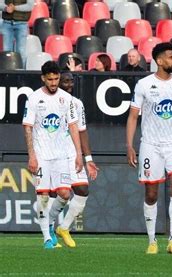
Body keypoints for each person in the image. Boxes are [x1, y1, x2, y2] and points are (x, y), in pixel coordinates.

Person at [126, 42, 172, 255]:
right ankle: (152, 241)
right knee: (151, 194)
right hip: (150, 144)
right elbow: (133, 116)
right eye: (170, 57)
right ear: (159, 61)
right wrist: (130, 145)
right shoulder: (143, 84)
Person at [22, 61, 83, 249]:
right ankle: (47, 238)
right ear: (43, 78)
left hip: (62, 155)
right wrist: (32, 155)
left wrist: (78, 154)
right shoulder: (33, 98)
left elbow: (73, 126)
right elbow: (28, 127)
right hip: (41, 155)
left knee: (64, 193)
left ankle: (49, 221)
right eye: (50, 79)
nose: (54, 83)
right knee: (43, 197)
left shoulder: (67, 99)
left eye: (56, 79)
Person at [47, 72, 99, 248]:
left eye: (71, 81)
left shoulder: (77, 104)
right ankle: (48, 228)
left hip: (73, 154)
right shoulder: (46, 101)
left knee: (83, 190)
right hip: (54, 154)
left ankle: (64, 228)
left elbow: (82, 131)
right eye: (65, 81)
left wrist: (88, 158)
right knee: (60, 194)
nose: (69, 84)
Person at [0, 0, 33, 68]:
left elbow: (30, 6)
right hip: (6, 23)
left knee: (21, 52)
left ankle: (21, 74)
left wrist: (14, 8)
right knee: (6, 51)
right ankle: (7, 74)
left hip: (22, 24)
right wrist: (6, 8)